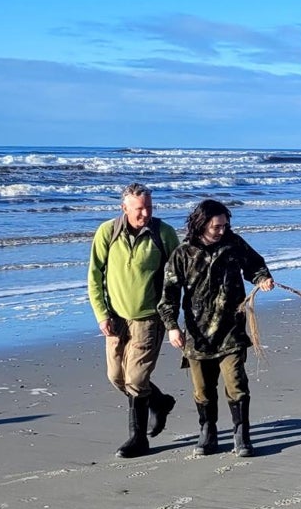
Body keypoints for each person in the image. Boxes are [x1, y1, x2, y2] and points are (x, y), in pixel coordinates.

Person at [157, 199, 274, 457]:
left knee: (236, 383)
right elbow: (169, 294)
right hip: (197, 335)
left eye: (225, 225)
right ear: (201, 224)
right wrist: (172, 327)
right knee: (202, 390)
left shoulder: (233, 244)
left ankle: (241, 435)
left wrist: (262, 278)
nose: (222, 230)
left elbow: (255, 265)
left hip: (231, 330)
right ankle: (207, 431)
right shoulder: (183, 254)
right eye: (217, 226)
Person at [86, 182, 180, 458]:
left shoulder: (163, 234)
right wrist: (102, 314)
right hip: (115, 318)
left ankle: (138, 439)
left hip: (150, 318)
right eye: (139, 209)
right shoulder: (107, 232)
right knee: (116, 377)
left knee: (137, 379)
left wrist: (172, 317)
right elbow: (94, 276)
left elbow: (177, 276)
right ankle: (160, 402)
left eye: (149, 207)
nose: (145, 213)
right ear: (124, 207)